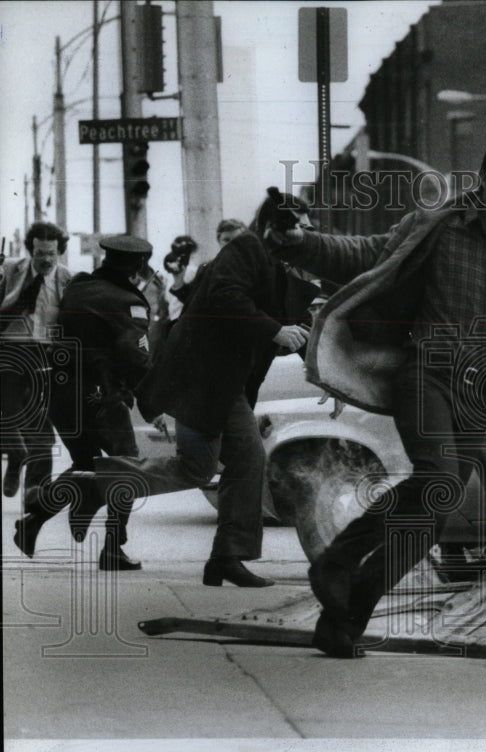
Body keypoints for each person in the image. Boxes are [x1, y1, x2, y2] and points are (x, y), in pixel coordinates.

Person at [269, 140, 486, 657]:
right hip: (426, 374)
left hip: (479, 393)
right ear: (485, 182)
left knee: (433, 511)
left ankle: (344, 621)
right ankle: (339, 560)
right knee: (437, 479)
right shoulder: (436, 226)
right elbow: (367, 254)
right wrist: (301, 243)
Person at [93, 190, 311, 588]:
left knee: (211, 467)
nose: (307, 232)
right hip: (206, 380)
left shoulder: (275, 260)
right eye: (299, 224)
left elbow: (293, 322)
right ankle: (91, 482)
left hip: (220, 384)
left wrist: (320, 369)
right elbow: (226, 299)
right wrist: (275, 330)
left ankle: (224, 557)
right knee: (234, 463)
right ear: (274, 227)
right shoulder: (246, 248)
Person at [13, 235, 155, 570]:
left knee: (86, 467)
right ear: (138, 266)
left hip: (62, 397)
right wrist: (154, 405)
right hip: (102, 399)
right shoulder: (127, 301)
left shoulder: (78, 288)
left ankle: (33, 522)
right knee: (126, 469)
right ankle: (112, 549)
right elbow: (137, 359)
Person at [0, 222, 73, 499]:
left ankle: (35, 487)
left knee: (41, 418)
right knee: (8, 409)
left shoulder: (67, 279)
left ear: (59, 252)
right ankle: (17, 455)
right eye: (40, 253)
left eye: (51, 254)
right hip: (10, 347)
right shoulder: (10, 269)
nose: (46, 259)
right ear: (31, 250)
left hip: (46, 351)